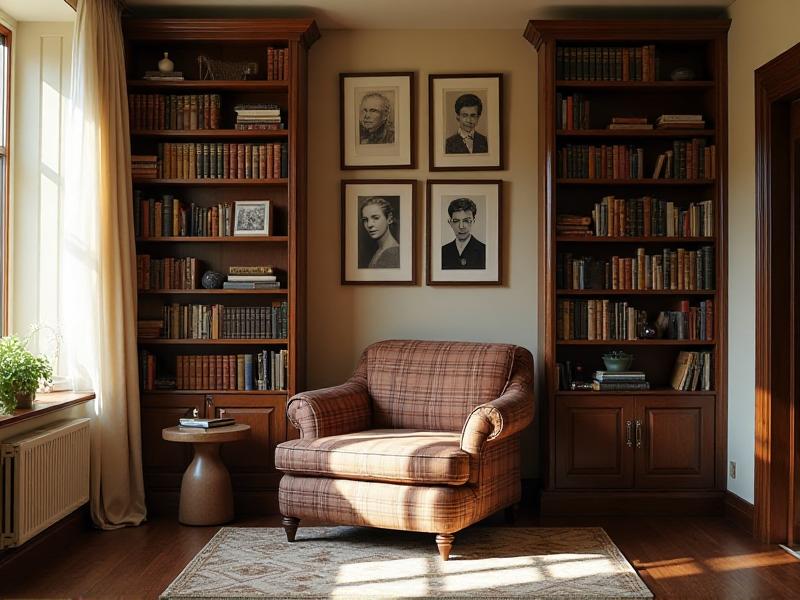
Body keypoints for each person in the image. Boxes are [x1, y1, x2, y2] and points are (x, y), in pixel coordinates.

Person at [441, 197, 486, 269]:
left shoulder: (485, 251)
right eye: (456, 221)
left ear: (473, 221)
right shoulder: (442, 251)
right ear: (450, 223)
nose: (461, 226)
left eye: (466, 221)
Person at [360, 197, 400, 268]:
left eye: (375, 218)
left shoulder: (392, 253)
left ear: (389, 219)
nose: (369, 225)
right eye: (365, 220)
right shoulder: (380, 250)